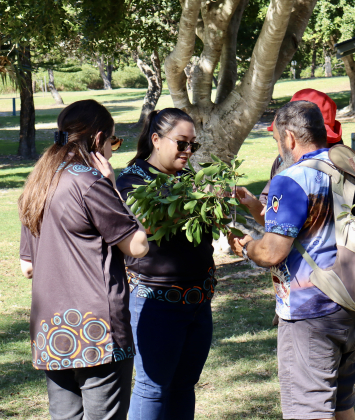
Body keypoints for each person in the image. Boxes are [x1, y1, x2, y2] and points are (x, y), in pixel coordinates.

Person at [229, 100, 355, 420]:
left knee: (309, 409)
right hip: (352, 304)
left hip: (311, 314)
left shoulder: (291, 179)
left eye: (278, 141)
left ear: (289, 138)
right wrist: (255, 207)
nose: (279, 148)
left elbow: (273, 252)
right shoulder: (346, 167)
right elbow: (308, 230)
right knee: (341, 403)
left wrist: (247, 246)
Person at [18, 99, 149, 420]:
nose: (113, 150)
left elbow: (28, 266)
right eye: (113, 142)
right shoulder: (90, 182)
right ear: (98, 138)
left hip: (51, 331)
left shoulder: (38, 182)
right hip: (97, 331)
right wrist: (113, 188)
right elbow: (138, 245)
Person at [116, 108, 216, 420]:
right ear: (156, 140)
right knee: (153, 387)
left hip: (198, 302)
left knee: (185, 385)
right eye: (181, 143)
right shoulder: (133, 181)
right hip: (156, 305)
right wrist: (200, 200)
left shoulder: (188, 179)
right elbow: (149, 223)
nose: (188, 152)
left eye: (193, 146)